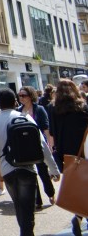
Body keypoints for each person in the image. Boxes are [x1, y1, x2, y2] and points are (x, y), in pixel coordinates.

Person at [0, 89, 60, 236]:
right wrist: (54, 170)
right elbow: (43, 147)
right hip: (27, 169)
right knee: (27, 209)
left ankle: (26, 232)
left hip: (8, 171)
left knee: (20, 206)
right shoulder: (26, 118)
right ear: (15, 102)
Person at [48, 78, 88, 236]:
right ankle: (79, 215)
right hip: (83, 152)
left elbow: (51, 132)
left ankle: (79, 214)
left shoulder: (52, 108)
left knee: (76, 185)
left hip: (65, 154)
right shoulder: (83, 106)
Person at [16, 86, 54, 208]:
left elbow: (45, 128)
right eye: (20, 95)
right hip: (26, 147)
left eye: (24, 95)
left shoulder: (39, 109)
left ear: (30, 96)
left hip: (39, 144)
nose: (21, 98)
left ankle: (50, 193)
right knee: (31, 173)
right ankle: (37, 200)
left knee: (43, 171)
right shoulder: (18, 111)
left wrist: (49, 145)